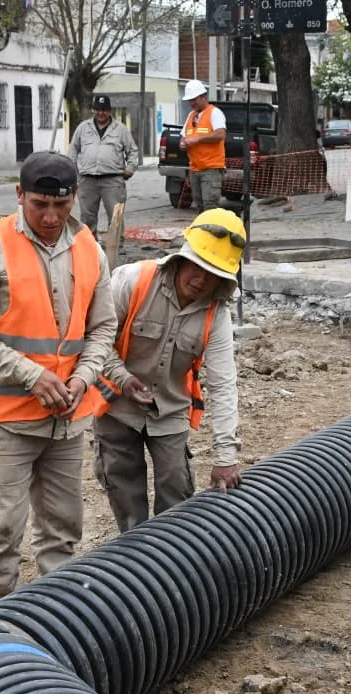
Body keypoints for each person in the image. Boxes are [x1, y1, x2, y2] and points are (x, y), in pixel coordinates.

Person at [0, 150, 118, 606]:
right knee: (2, 534)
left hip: (66, 420)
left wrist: (83, 378)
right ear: (19, 195)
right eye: (39, 204)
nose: (50, 216)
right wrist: (32, 377)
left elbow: (103, 325)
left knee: (63, 532)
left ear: (74, 198)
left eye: (60, 206)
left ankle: (54, 619)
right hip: (5, 419)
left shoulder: (88, 248)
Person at [91, 207, 245, 532]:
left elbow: (223, 384)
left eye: (213, 272)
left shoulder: (215, 315)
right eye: (197, 267)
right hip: (115, 406)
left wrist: (225, 456)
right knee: (125, 493)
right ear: (182, 258)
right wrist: (122, 379)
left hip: (170, 411)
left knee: (177, 495)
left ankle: (171, 561)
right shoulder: (132, 281)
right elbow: (94, 339)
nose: (201, 279)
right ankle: (136, 562)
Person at [69, 94, 139, 233]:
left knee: (115, 217)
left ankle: (116, 250)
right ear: (93, 110)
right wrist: (73, 172)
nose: (101, 113)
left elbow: (133, 151)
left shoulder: (120, 129)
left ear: (110, 111)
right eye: (98, 109)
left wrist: (130, 168)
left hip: (112, 180)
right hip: (87, 180)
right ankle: (90, 248)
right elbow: (73, 149)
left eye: (104, 110)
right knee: (87, 218)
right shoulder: (83, 128)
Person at [180, 79, 227, 211]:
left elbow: (220, 135)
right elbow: (184, 136)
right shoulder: (191, 116)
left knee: (210, 206)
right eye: (190, 100)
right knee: (200, 207)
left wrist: (197, 139)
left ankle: (213, 230)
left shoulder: (214, 113)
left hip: (210, 169)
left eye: (194, 99)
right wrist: (183, 143)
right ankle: (203, 231)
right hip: (195, 169)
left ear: (203, 97)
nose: (192, 103)